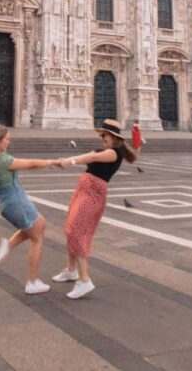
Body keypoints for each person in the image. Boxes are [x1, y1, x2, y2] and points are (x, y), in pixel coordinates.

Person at [51, 119, 137, 299]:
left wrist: (70, 161)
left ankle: (84, 280)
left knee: (77, 231)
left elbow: (91, 158)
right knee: (70, 228)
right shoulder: (104, 150)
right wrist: (63, 161)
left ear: (113, 137)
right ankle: (70, 270)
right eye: (101, 135)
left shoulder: (114, 154)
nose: (102, 138)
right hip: (83, 190)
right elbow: (90, 154)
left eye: (104, 135)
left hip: (93, 194)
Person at [0, 125, 55, 295]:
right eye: (6, 138)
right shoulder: (2, 161)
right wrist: (52, 162)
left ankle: (7, 246)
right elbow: (31, 164)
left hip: (7, 204)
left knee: (40, 223)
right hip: (17, 203)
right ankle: (32, 282)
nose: (9, 141)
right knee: (37, 238)